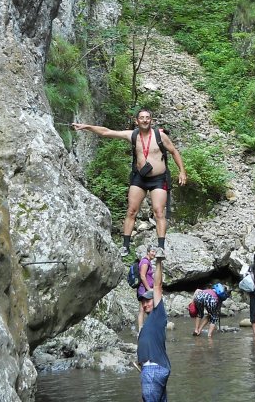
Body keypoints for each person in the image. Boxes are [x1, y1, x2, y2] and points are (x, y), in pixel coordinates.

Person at [73, 108, 187, 255]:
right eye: (142, 118)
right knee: (132, 211)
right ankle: (125, 246)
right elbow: (106, 132)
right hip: (139, 178)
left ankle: (161, 248)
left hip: (158, 179)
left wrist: (182, 171)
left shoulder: (160, 136)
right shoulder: (132, 135)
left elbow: (174, 151)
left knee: (159, 212)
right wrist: (87, 127)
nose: (145, 120)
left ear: (151, 120)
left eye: (147, 118)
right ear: (136, 121)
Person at [137, 248, 169, 401]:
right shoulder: (150, 321)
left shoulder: (158, 314)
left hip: (152, 370)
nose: (145, 304)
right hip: (153, 369)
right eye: (143, 302)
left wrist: (158, 261)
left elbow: (157, 286)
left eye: (148, 301)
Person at [137, 245, 157, 333]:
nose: (154, 253)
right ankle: (141, 329)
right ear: (148, 252)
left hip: (145, 289)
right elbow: (142, 276)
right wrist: (149, 289)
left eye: (155, 252)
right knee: (142, 309)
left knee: (147, 308)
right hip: (144, 289)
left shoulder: (147, 261)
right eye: (152, 251)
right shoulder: (145, 261)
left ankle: (148, 327)